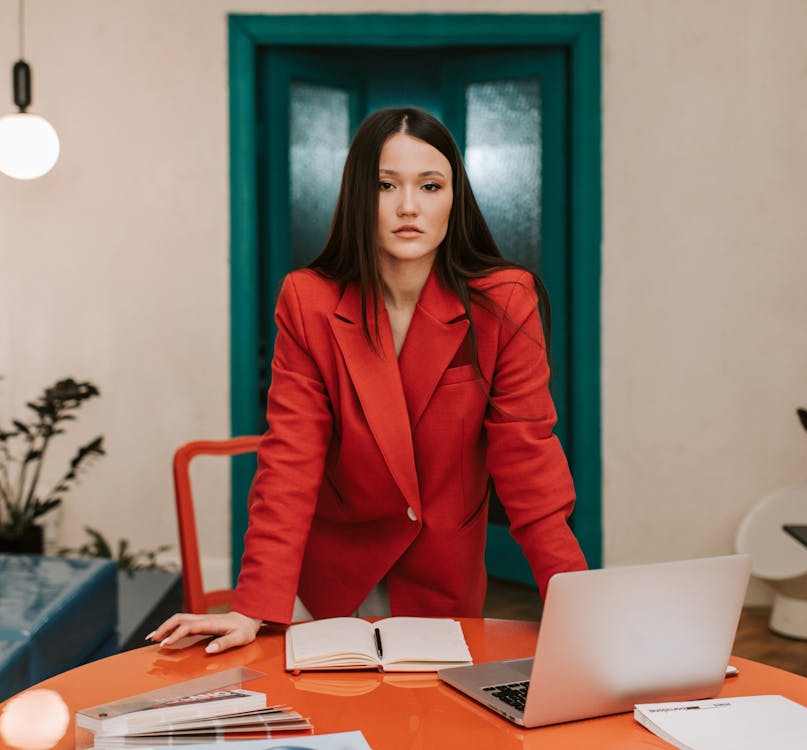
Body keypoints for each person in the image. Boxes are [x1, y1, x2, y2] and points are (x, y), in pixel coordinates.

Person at [150, 107, 587, 654]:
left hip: (441, 580)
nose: (409, 206)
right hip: (331, 575)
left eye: (430, 185)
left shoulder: (505, 302)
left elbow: (529, 462)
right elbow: (291, 459)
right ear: (360, 195)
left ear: (455, 197)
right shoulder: (309, 301)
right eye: (386, 185)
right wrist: (252, 605)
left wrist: (574, 602)